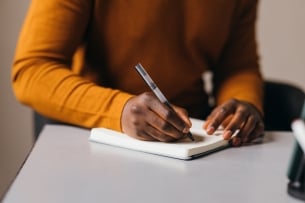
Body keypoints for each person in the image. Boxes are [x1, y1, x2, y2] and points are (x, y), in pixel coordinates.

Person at [12, 0, 264, 146]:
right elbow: (32, 70)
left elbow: (237, 66)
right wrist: (119, 110)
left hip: (189, 136)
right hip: (93, 134)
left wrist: (242, 105)